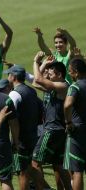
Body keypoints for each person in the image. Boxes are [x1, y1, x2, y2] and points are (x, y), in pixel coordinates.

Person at [32, 54, 72, 190]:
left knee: (35, 163)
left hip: (52, 130)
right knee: (58, 165)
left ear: (59, 74)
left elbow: (37, 78)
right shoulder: (52, 87)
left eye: (50, 71)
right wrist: (44, 65)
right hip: (58, 131)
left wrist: (36, 61)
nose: (47, 72)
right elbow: (35, 83)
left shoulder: (62, 85)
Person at [4, 65, 42, 190]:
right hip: (32, 135)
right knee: (30, 168)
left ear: (13, 77)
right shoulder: (31, 90)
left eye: (8, 74)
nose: (7, 76)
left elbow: (8, 114)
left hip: (21, 139)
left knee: (22, 172)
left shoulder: (14, 94)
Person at [64, 58, 86, 190]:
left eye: (70, 72)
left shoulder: (75, 86)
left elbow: (67, 105)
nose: (70, 74)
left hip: (78, 131)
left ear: (76, 72)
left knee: (77, 170)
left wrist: (68, 122)